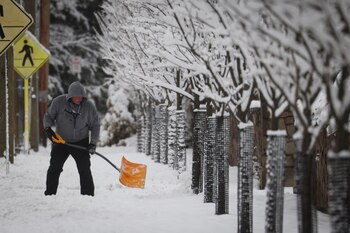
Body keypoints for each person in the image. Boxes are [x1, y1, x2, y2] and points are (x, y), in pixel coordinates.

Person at [43, 81, 100, 196]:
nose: (79, 99)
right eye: (76, 97)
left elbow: (95, 125)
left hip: (80, 142)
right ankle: (49, 194)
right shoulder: (58, 102)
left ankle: (88, 195)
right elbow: (48, 116)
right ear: (70, 96)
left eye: (81, 97)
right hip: (61, 142)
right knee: (54, 167)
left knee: (84, 169)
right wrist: (48, 129)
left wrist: (93, 143)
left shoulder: (88, 106)